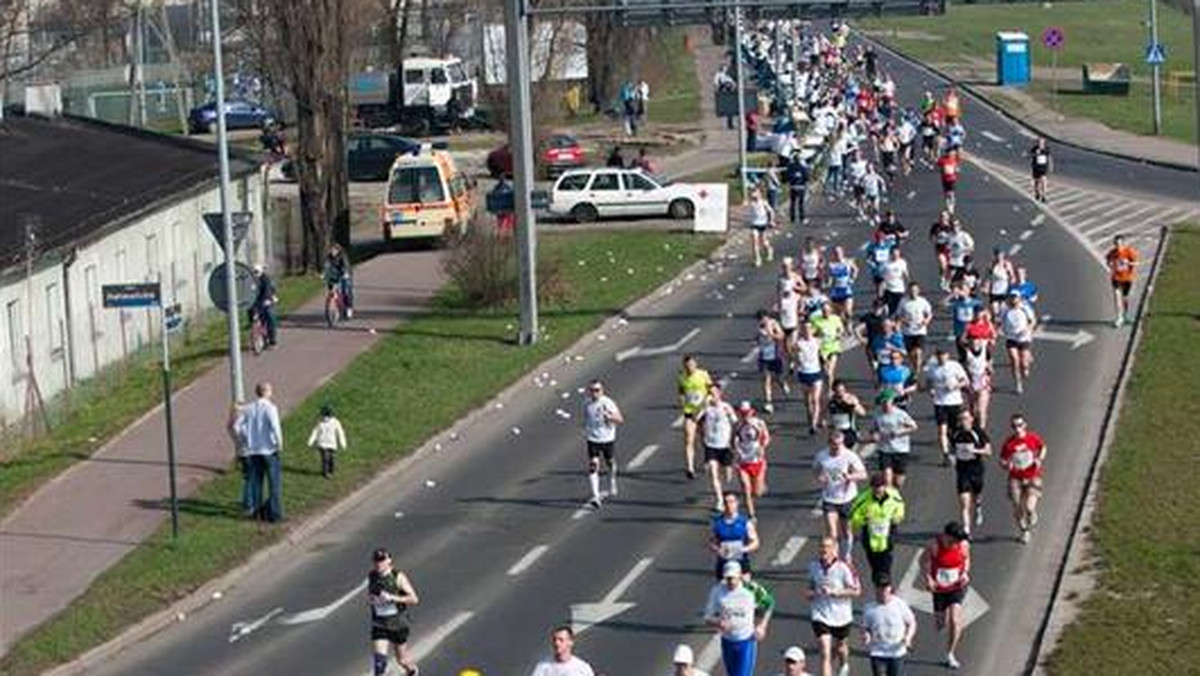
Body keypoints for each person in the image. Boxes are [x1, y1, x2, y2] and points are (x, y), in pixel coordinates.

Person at [806, 536, 861, 676]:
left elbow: (856, 591)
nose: (824, 549)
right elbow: (809, 588)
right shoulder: (813, 566)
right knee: (825, 651)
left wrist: (836, 592)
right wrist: (813, 593)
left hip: (841, 615)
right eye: (822, 546)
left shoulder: (844, 567)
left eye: (828, 546)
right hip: (820, 614)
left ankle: (844, 663)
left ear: (834, 549)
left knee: (841, 647)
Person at [231, 382, 284, 522]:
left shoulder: (248, 408)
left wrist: (246, 437)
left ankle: (257, 513)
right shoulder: (271, 408)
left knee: (256, 483)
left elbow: (236, 426)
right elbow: (275, 426)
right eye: (270, 390)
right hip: (269, 450)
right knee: (274, 483)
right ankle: (275, 514)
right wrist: (279, 443)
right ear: (266, 392)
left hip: (253, 451)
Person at [923, 522, 971, 670]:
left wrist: (964, 573)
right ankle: (941, 620)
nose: (956, 543)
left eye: (958, 540)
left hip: (957, 587)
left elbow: (967, 559)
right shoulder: (934, 545)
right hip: (939, 588)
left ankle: (950, 654)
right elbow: (923, 562)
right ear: (946, 536)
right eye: (954, 540)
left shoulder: (963, 545)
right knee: (940, 624)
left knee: (955, 620)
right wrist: (928, 578)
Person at [704, 561, 766, 676]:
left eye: (733, 578)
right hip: (727, 641)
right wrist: (718, 622)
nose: (730, 582)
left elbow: (769, 604)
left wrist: (762, 626)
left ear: (739, 576)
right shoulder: (717, 591)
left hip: (747, 641)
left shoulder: (751, 589)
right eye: (728, 578)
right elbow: (707, 617)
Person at [813, 429, 868, 560]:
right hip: (829, 498)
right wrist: (820, 477)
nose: (838, 447)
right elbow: (815, 469)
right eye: (835, 444)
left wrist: (849, 476)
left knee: (846, 531)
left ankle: (847, 554)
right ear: (829, 443)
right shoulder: (822, 456)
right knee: (832, 532)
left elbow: (863, 474)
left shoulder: (850, 456)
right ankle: (834, 557)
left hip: (847, 498)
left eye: (840, 444)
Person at [367, 548, 420, 676]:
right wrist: (372, 601)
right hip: (379, 622)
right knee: (379, 663)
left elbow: (414, 599)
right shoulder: (372, 575)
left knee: (402, 660)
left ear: (389, 560)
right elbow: (370, 595)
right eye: (376, 561)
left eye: (382, 560)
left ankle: (412, 671)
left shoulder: (398, 577)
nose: (378, 563)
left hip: (397, 623)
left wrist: (392, 598)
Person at [849, 474, 906, 586]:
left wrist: (897, 517)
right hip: (870, 539)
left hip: (887, 536)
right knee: (875, 569)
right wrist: (864, 519)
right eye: (875, 487)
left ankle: (887, 589)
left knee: (886, 566)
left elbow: (900, 507)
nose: (877, 490)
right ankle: (879, 590)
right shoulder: (863, 499)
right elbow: (853, 517)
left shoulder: (893, 495)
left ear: (884, 487)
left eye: (880, 487)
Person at [999, 413, 1047, 544]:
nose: (1017, 428)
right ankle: (1024, 531)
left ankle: (1032, 513)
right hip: (1015, 478)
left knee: (1029, 507)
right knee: (1017, 507)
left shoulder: (1032, 438)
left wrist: (1039, 459)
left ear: (1024, 425)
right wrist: (1006, 465)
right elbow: (1001, 460)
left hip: (1032, 475)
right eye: (1014, 426)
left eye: (1019, 425)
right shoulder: (1009, 444)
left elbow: (1042, 447)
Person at [860, 574, 917, 676]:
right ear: (875, 589)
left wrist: (908, 638)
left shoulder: (899, 604)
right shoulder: (869, 608)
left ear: (890, 588)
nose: (883, 591)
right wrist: (866, 636)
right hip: (878, 651)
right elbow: (865, 627)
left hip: (897, 652)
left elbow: (911, 622)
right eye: (880, 587)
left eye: (885, 587)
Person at [925, 348, 970, 466]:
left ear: (948, 355)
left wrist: (955, 386)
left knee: (955, 429)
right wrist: (931, 389)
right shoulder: (932, 368)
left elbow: (965, 381)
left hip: (955, 402)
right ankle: (945, 455)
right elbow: (928, 382)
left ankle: (955, 449)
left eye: (944, 355)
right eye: (939, 355)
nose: (942, 358)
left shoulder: (955, 366)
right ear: (936, 356)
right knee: (942, 430)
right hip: (940, 403)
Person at [583, 380, 624, 509]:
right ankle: (595, 496)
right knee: (593, 466)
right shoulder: (587, 403)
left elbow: (620, 419)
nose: (594, 393)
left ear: (602, 391)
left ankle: (612, 481)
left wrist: (610, 418)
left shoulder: (608, 403)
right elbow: (586, 418)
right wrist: (586, 428)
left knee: (610, 462)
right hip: (593, 439)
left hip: (607, 438)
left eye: (597, 390)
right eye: (592, 390)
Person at [950, 408, 991, 536]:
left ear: (972, 419)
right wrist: (952, 456)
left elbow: (989, 451)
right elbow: (953, 449)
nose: (964, 422)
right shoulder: (956, 433)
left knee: (977, 494)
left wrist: (975, 451)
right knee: (964, 502)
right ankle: (967, 530)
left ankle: (978, 506)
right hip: (962, 472)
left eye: (966, 418)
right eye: (961, 419)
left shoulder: (978, 433)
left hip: (976, 470)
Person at [699, 384, 739, 511]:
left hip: (724, 445)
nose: (712, 396)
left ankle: (725, 491)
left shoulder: (726, 407)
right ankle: (719, 500)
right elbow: (696, 419)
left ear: (720, 393)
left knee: (727, 476)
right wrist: (703, 407)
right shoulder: (707, 408)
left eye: (714, 393)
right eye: (710, 393)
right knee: (713, 472)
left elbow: (735, 422)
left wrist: (733, 441)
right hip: (710, 445)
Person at [871, 389, 918, 488]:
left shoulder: (901, 414)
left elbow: (914, 427)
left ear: (892, 401)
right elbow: (873, 429)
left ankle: (895, 495)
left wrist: (899, 432)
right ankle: (889, 501)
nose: (884, 404)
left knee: (898, 482)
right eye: (882, 402)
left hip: (900, 449)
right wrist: (874, 435)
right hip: (884, 449)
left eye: (886, 401)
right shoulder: (877, 415)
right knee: (887, 478)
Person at [678, 355, 714, 480]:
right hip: (690, 412)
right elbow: (681, 393)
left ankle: (707, 459)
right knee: (689, 438)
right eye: (688, 366)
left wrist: (706, 404)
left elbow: (711, 391)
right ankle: (690, 468)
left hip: (703, 411)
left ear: (696, 365)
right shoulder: (682, 377)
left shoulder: (703, 375)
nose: (690, 368)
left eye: (692, 365)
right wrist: (683, 405)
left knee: (705, 437)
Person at [711, 489, 760, 581]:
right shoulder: (717, 522)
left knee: (745, 588)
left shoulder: (744, 522)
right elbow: (712, 541)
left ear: (737, 503)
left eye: (731, 502)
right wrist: (718, 549)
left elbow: (756, 542)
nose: (729, 505)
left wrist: (744, 549)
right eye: (726, 502)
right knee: (722, 591)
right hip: (724, 562)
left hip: (741, 561)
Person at [733, 401, 771, 519]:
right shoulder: (737, 425)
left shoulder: (759, 423)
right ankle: (751, 514)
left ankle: (762, 482)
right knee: (746, 488)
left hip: (756, 460)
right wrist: (736, 452)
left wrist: (763, 447)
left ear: (752, 412)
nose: (744, 415)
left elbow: (767, 437)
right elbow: (732, 441)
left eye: (747, 413)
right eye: (742, 413)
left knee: (757, 492)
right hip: (743, 462)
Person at [999, 291, 1037, 394]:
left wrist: (1027, 329)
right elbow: (1000, 321)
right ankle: (1018, 383)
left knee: (1023, 362)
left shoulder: (1025, 308)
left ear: (1019, 298)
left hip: (1024, 338)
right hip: (1011, 338)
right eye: (1011, 297)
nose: (1013, 299)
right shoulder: (1005, 309)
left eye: (1015, 297)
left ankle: (1025, 367)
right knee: (1014, 360)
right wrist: (1002, 330)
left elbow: (1033, 321)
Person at [793, 321, 826, 434]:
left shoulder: (817, 341)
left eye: (809, 329)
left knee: (815, 399)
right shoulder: (799, 343)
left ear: (812, 330)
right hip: (804, 373)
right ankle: (811, 418)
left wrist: (824, 360)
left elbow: (822, 350)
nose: (807, 331)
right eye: (805, 329)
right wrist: (794, 369)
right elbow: (794, 357)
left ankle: (814, 424)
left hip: (816, 372)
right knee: (807, 401)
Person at [895, 282, 932, 375]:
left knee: (918, 352)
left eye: (915, 290)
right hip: (907, 332)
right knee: (911, 354)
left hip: (920, 331)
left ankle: (917, 372)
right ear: (908, 291)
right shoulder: (903, 302)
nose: (913, 292)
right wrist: (904, 321)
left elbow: (929, 314)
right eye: (911, 290)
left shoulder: (923, 301)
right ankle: (914, 367)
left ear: (918, 291)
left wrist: (926, 321)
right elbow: (898, 315)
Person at [755, 310, 787, 414]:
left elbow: (781, 336)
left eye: (764, 318)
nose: (762, 321)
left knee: (778, 377)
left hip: (775, 355)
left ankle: (783, 384)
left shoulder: (773, 324)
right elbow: (758, 339)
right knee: (766, 380)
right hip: (764, 356)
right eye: (760, 319)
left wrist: (772, 334)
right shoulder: (759, 327)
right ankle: (768, 403)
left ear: (767, 317)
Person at [531, 626, 595, 676]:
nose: (557, 643)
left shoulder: (582, 668)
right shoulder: (543, 667)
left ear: (570, 642)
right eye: (554, 640)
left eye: (561, 640)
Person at [1105, 234, 1139, 327]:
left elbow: (1137, 263)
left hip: (1127, 278)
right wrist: (1110, 264)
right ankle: (1119, 318)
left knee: (1125, 298)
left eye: (1119, 244)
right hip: (1116, 277)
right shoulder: (1112, 252)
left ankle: (1125, 315)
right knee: (1116, 297)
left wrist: (1128, 262)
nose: (1117, 246)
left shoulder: (1129, 251)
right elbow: (1107, 260)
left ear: (1123, 243)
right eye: (1116, 244)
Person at [307, 404, 347, 478]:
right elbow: (315, 432)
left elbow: (340, 433)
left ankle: (330, 471)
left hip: (332, 444)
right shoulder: (320, 423)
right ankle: (325, 472)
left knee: (331, 458)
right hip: (322, 444)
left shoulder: (335, 422)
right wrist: (311, 441)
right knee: (325, 458)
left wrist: (343, 443)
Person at [963, 336, 994, 429]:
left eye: (977, 341)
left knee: (982, 410)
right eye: (972, 341)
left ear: (980, 341)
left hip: (983, 384)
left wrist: (989, 372)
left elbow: (990, 365)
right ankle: (974, 427)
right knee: (973, 410)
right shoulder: (966, 352)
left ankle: (981, 431)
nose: (975, 343)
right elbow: (962, 368)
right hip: (971, 383)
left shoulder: (985, 350)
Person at [811, 302, 846, 383]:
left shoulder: (835, 319)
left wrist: (839, 335)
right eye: (824, 311)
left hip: (833, 347)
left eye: (827, 310)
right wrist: (815, 335)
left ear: (830, 311)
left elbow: (841, 329)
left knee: (830, 371)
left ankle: (830, 391)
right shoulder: (816, 320)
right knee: (826, 372)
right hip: (822, 348)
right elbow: (812, 332)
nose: (826, 312)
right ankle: (829, 385)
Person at [826, 379, 866, 449]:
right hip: (836, 432)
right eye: (837, 391)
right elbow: (824, 413)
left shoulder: (851, 398)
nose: (840, 393)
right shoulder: (831, 401)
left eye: (842, 391)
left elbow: (863, 413)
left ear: (845, 390)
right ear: (834, 391)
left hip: (850, 431)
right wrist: (824, 422)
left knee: (849, 455)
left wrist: (853, 405)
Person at [249, 264, 279, 348]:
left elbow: (267, 290)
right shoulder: (250, 280)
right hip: (254, 302)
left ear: (261, 271)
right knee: (253, 317)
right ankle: (257, 336)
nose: (254, 274)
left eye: (256, 272)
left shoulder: (265, 279)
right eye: (253, 272)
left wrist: (267, 299)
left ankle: (272, 339)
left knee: (270, 316)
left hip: (266, 301)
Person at [825, 246, 858, 320]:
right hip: (836, 290)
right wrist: (828, 283)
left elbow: (855, 269)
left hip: (846, 289)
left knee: (848, 312)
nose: (837, 254)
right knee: (838, 314)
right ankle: (843, 329)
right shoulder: (831, 265)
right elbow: (830, 277)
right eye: (835, 253)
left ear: (842, 252)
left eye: (839, 252)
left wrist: (852, 279)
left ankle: (850, 326)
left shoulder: (848, 262)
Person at [747, 187, 777, 268]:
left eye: (756, 192)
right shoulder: (751, 203)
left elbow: (771, 211)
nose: (753, 194)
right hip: (754, 224)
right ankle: (757, 259)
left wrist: (771, 220)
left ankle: (769, 250)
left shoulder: (764, 202)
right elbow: (749, 212)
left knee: (763, 242)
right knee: (754, 242)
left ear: (760, 194)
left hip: (763, 223)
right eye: (753, 193)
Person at [323, 244, 354, 319]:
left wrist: (346, 273)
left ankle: (349, 308)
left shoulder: (343, 256)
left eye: (334, 250)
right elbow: (326, 266)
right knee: (332, 290)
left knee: (345, 291)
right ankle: (335, 307)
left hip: (344, 274)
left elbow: (346, 265)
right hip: (335, 275)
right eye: (331, 250)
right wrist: (324, 274)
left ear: (338, 251)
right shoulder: (329, 257)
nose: (333, 252)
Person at [985, 247, 1017, 316]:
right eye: (997, 255)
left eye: (1000, 255)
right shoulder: (991, 266)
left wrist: (1011, 283)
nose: (999, 257)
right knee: (995, 312)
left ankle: (1002, 325)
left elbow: (1013, 277)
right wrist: (986, 287)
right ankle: (995, 324)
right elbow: (987, 278)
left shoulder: (1007, 265)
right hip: (994, 292)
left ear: (1003, 255)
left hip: (1004, 291)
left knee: (1003, 312)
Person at [878, 247, 909, 317]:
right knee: (891, 310)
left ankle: (895, 323)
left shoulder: (902, 262)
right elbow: (882, 279)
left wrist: (909, 285)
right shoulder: (885, 264)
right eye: (894, 254)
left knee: (899, 309)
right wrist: (880, 293)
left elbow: (906, 274)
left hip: (899, 290)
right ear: (891, 254)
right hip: (889, 290)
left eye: (897, 254)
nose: (896, 256)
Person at [928, 211, 955, 290]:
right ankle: (943, 279)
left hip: (950, 249)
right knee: (943, 265)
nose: (942, 218)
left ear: (948, 218)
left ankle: (948, 282)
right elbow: (931, 237)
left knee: (950, 268)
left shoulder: (951, 226)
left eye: (944, 216)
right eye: (941, 216)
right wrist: (935, 240)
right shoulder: (936, 226)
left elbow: (956, 234)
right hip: (940, 248)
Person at [786, 152, 810, 225]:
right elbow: (806, 177)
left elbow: (787, 177)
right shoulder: (802, 167)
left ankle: (792, 218)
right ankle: (801, 218)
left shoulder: (790, 167)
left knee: (792, 203)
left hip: (793, 187)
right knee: (801, 203)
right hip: (801, 187)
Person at [937, 149, 961, 213]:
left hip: (952, 179)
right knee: (946, 194)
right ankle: (947, 206)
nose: (951, 154)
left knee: (951, 193)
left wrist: (956, 170)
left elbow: (957, 169)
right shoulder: (942, 160)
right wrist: (943, 170)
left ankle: (952, 207)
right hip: (944, 179)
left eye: (952, 152)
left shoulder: (954, 159)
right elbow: (939, 166)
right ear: (946, 153)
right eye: (950, 152)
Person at [1029, 137, 1052, 203]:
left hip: (1043, 168)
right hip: (1036, 168)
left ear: (1044, 143)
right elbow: (1030, 156)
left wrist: (1051, 166)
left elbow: (1049, 157)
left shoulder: (1046, 149)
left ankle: (1044, 196)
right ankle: (1037, 194)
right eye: (1039, 142)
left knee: (1044, 181)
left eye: (1042, 142)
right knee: (1037, 183)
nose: (1040, 144)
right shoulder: (1034, 149)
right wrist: (1036, 153)